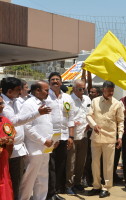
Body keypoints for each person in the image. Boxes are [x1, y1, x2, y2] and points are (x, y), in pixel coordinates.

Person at [1, 77, 51, 200]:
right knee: (16, 181)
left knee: (26, 179)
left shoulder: (17, 101)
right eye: (19, 90)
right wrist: (37, 113)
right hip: (9, 148)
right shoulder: (5, 105)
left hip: (19, 147)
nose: (21, 93)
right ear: (9, 91)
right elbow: (14, 122)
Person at [86, 81, 124, 198]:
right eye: (109, 91)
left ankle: (106, 188)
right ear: (103, 90)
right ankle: (96, 186)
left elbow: (120, 121)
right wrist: (93, 125)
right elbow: (88, 115)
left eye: (112, 91)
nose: (111, 93)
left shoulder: (117, 104)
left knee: (108, 164)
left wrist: (120, 137)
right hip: (96, 138)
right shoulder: (95, 101)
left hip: (110, 138)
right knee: (95, 164)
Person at [19, 81, 54, 200]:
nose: (48, 93)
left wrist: (51, 139)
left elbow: (46, 124)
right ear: (37, 91)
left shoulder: (45, 103)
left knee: (43, 177)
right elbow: (27, 127)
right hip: (34, 147)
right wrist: (42, 140)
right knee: (30, 178)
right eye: (46, 90)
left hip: (46, 146)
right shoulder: (28, 104)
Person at [46, 72, 75, 200]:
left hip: (64, 137)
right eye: (52, 79)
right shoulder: (46, 97)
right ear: (49, 82)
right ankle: (49, 193)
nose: (55, 81)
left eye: (57, 79)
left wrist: (71, 137)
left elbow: (71, 118)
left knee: (60, 166)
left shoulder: (68, 98)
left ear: (61, 82)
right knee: (49, 166)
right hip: (50, 138)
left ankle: (55, 191)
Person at [65, 80, 91, 194]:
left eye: (83, 89)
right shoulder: (68, 100)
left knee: (81, 162)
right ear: (74, 89)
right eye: (80, 89)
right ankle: (68, 185)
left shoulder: (87, 99)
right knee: (71, 163)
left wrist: (89, 124)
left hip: (84, 135)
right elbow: (66, 117)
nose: (82, 91)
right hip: (73, 136)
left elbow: (90, 114)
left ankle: (78, 183)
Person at [82, 86, 102, 187]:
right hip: (89, 132)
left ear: (98, 93)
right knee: (88, 157)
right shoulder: (87, 101)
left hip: (99, 132)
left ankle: (96, 178)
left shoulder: (100, 103)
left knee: (97, 158)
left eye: (93, 92)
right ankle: (85, 177)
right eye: (89, 91)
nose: (90, 93)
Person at [0, 95, 15, 200]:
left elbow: (12, 137)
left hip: (3, 160)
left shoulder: (5, 120)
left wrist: (8, 140)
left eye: (2, 103)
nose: (2, 106)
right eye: (0, 104)